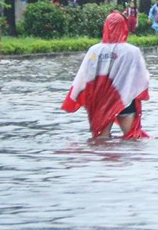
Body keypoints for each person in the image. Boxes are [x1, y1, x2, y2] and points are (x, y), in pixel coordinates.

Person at [61, 11, 152, 140]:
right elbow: (141, 77)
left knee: (100, 139)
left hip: (100, 100)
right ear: (124, 27)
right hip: (124, 98)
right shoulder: (132, 51)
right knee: (132, 140)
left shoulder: (94, 50)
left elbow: (85, 76)